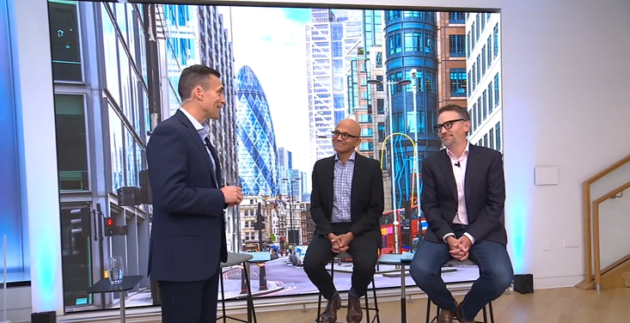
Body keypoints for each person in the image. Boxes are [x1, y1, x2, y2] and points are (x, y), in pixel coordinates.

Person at [146, 64, 243, 323]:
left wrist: (221, 198)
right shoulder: (170, 132)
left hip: (204, 260)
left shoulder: (202, 138)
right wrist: (220, 196)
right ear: (199, 92)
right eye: (220, 92)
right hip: (181, 262)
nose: (223, 100)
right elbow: (169, 196)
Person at [409, 105, 513, 323]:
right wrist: (449, 237)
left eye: (449, 124)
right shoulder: (431, 163)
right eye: (440, 127)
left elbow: (495, 204)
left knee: (501, 275)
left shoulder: (490, 159)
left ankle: (464, 312)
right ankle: (448, 305)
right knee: (420, 270)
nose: (443, 130)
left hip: (483, 232)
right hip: (444, 231)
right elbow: (429, 204)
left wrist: (468, 237)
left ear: (466, 126)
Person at [304, 119, 384, 323]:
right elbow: (316, 207)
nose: (338, 137)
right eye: (336, 133)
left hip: (361, 229)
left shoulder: (371, 167)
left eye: (345, 135)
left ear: (357, 141)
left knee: (366, 264)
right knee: (311, 263)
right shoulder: (321, 167)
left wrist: (350, 235)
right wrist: (330, 235)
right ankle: (333, 298)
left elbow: (376, 209)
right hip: (330, 228)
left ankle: (355, 295)